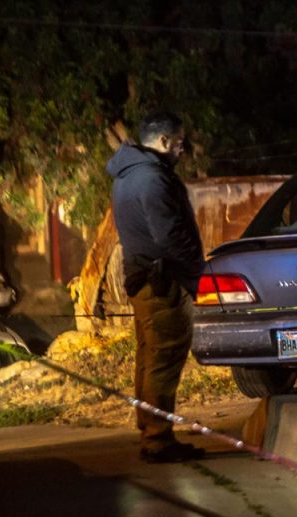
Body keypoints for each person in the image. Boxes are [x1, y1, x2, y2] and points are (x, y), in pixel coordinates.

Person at [108, 111, 206, 463]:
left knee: (150, 357)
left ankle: (150, 428)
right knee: (164, 357)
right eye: (179, 143)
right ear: (163, 141)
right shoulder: (153, 179)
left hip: (144, 277)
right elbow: (170, 235)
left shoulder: (128, 176)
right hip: (161, 280)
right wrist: (197, 269)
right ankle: (158, 438)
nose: (181, 151)